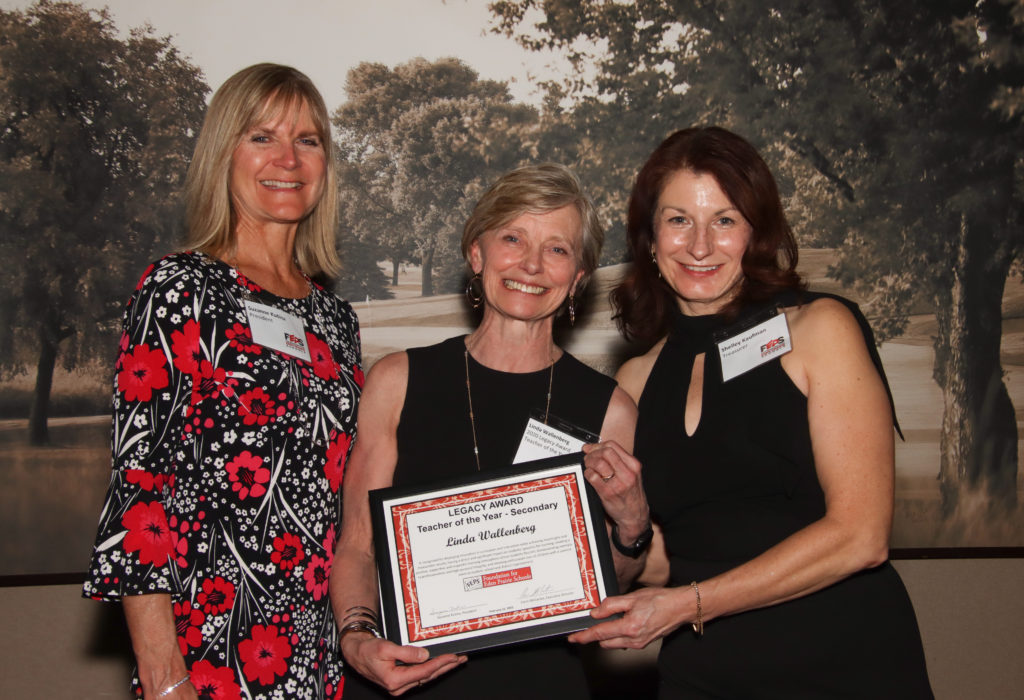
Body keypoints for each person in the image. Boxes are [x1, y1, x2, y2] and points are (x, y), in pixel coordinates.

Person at [568, 127, 933, 698]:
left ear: (756, 232)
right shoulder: (636, 379)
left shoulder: (818, 330)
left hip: (842, 666)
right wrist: (630, 532)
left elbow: (861, 536)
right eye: (679, 219)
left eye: (725, 220)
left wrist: (687, 605)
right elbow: (672, 558)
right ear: (649, 238)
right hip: (703, 676)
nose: (700, 245)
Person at [82, 64, 361, 700]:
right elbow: (140, 483)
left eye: (308, 140)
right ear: (223, 154)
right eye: (262, 136)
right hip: (209, 647)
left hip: (316, 656)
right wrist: (163, 674)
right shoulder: (179, 289)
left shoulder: (334, 318)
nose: (288, 158)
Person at [330, 163, 649, 698]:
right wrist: (358, 637)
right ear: (477, 254)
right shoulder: (398, 381)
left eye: (557, 249)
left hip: (535, 683)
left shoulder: (611, 410)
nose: (531, 263)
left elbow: (605, 585)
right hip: (403, 676)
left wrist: (632, 526)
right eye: (512, 237)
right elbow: (359, 545)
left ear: (578, 278)